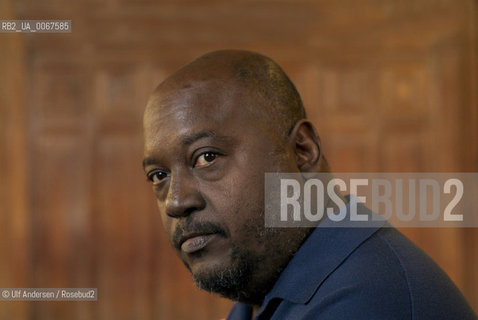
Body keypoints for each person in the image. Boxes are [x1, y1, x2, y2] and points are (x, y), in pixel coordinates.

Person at [142, 50, 476, 319]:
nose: (175, 201)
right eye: (159, 175)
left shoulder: (367, 300)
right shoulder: (263, 293)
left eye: (207, 157)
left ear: (302, 151)